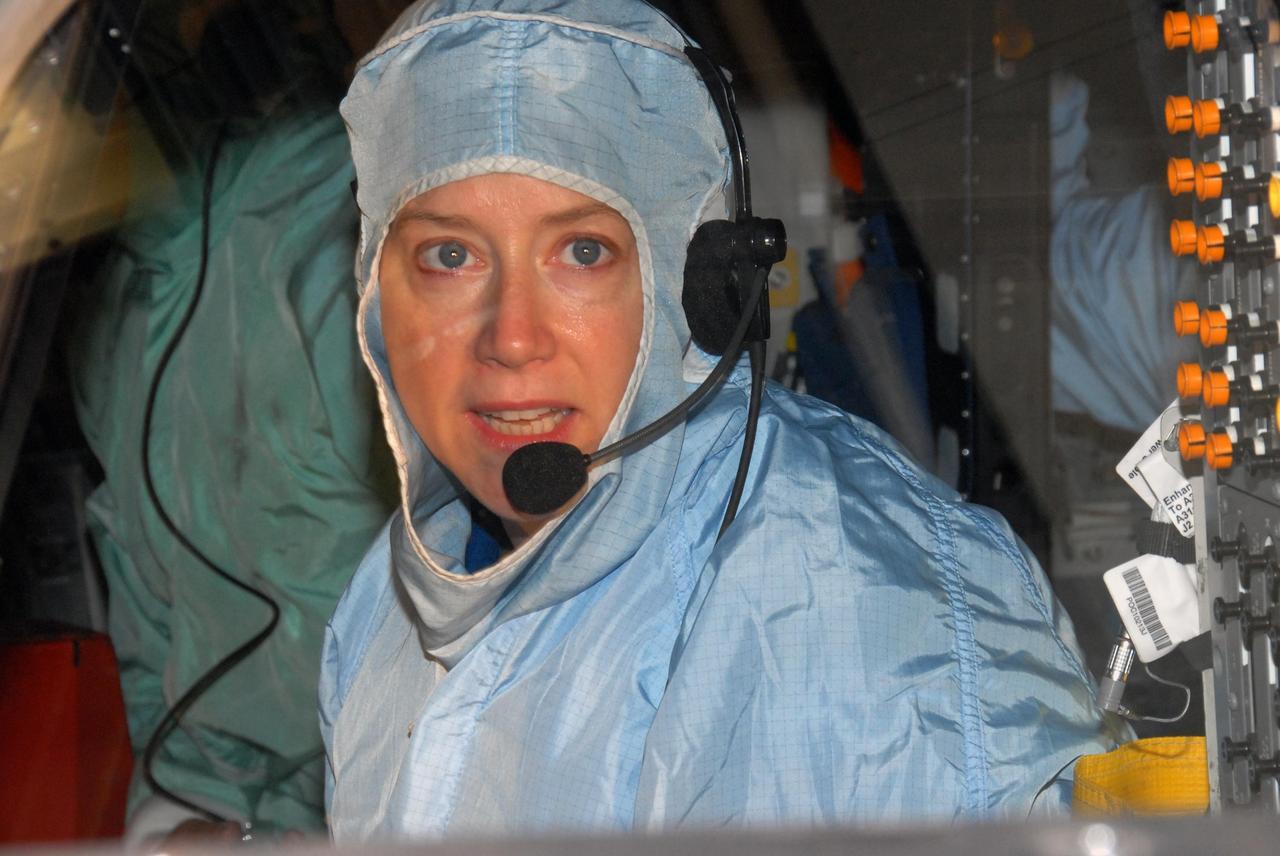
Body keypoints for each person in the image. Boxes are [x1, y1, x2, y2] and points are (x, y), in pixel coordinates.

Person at [320, 0, 1122, 840]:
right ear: (375, 296)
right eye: (449, 256)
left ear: (696, 284)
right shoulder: (382, 609)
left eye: (584, 252)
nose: (512, 337)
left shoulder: (872, 617)